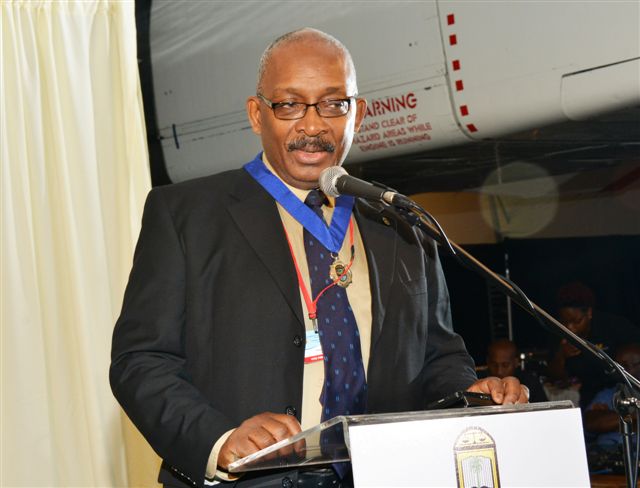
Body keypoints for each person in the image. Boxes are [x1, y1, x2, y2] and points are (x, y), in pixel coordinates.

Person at [110, 28, 528, 488]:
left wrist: (470, 394)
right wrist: (219, 441)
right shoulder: (187, 215)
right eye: (289, 104)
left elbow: (437, 355)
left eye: (333, 104)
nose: (312, 126)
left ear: (358, 114)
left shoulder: (400, 222)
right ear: (257, 114)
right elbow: (141, 361)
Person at [546, 281, 640, 408]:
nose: (570, 328)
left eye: (576, 321)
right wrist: (561, 355)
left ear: (589, 313)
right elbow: (554, 378)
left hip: (623, 388)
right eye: (564, 322)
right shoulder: (560, 335)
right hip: (588, 396)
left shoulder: (612, 326)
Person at [584, 343, 640, 451]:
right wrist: (635, 416)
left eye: (625, 365)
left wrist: (613, 417)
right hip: (608, 454)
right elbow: (591, 424)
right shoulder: (609, 393)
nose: (622, 371)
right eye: (618, 367)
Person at [484, 339, 547, 403]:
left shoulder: (531, 382)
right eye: (494, 365)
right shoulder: (481, 381)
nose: (499, 371)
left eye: (505, 365)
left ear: (516, 362)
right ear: (487, 362)